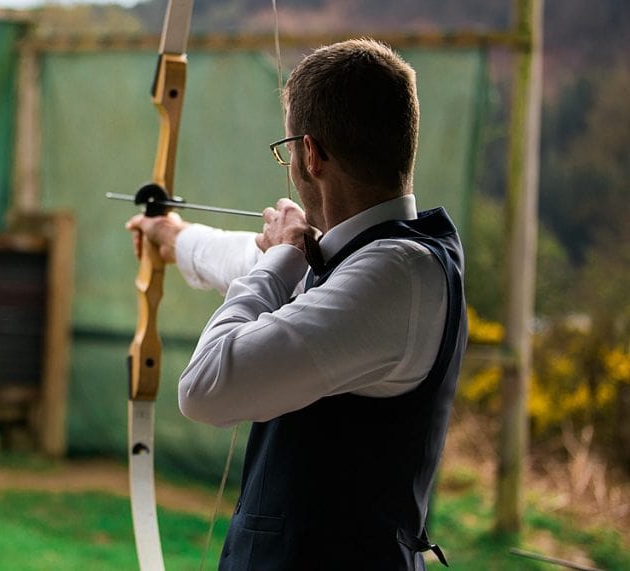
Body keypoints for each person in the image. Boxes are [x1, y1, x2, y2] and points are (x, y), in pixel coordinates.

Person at [126, 38, 467, 569]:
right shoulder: (358, 260)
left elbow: (204, 388)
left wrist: (281, 257)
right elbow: (249, 261)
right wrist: (171, 236)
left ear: (311, 153)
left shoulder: (395, 273)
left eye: (287, 151)